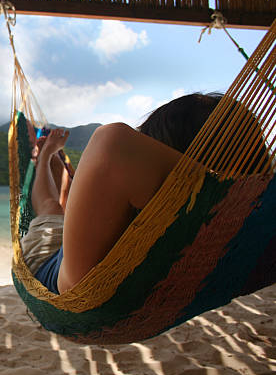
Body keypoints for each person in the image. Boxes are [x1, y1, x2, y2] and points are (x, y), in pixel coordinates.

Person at [21, 93, 223, 294]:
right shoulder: (234, 213)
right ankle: (53, 162)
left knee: (51, 207)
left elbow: (112, 141)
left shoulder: (159, 192)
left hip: (50, 264)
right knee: (64, 198)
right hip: (81, 243)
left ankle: (46, 157)